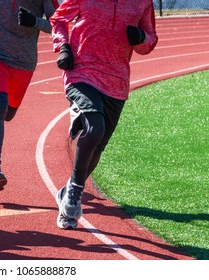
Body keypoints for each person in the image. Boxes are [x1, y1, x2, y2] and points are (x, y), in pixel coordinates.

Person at [50, 0, 158, 229]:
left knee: (98, 147)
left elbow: (150, 40)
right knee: (94, 128)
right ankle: (74, 196)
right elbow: (58, 19)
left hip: (116, 82)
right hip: (82, 73)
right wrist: (63, 47)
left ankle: (69, 189)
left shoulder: (143, 3)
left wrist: (140, 38)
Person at [0, 0, 60, 192]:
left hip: (24, 62)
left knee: (8, 113)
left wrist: (34, 21)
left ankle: (6, 113)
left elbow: (58, 24)